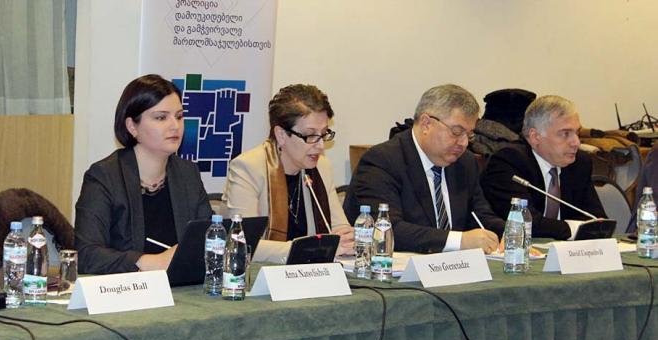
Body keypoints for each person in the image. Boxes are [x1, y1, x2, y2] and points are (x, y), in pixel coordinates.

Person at [75, 74, 212, 274]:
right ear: (132, 126)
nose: (175, 125)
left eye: (179, 116)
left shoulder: (187, 174)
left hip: (182, 291)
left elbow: (207, 236)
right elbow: (86, 254)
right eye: (161, 117)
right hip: (125, 294)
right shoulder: (104, 177)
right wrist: (149, 262)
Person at [344, 84, 504, 254]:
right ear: (426, 123)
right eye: (457, 132)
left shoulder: (465, 163)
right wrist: (459, 240)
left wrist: (508, 232)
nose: (464, 143)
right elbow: (387, 230)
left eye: (469, 134)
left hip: (453, 270)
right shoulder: (383, 160)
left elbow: (480, 216)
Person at [222, 84, 353, 259]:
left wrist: (348, 239)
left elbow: (340, 233)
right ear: (281, 135)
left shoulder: (322, 167)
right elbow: (241, 243)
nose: (321, 145)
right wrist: (311, 249)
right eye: (311, 135)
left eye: (324, 134)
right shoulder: (248, 168)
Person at [480, 95, 606, 240]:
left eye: (577, 133)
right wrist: (574, 228)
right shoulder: (509, 161)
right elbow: (525, 223)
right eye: (565, 134)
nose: (576, 142)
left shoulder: (580, 162)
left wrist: (585, 228)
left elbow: (597, 220)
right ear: (535, 137)